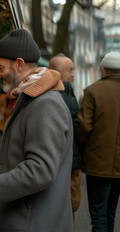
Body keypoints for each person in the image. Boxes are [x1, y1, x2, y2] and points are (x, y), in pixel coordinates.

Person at [0, 29, 74, 232]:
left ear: (19, 64)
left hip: (33, 229)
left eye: (0, 68)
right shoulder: (31, 99)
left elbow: (40, 169)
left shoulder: (45, 104)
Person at [75, 51, 120, 232]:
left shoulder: (93, 91)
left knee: (99, 216)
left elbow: (83, 126)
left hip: (97, 164)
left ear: (102, 69)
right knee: (111, 214)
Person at [49, 54, 83, 221]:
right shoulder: (53, 95)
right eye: (70, 70)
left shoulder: (68, 91)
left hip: (71, 161)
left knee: (71, 207)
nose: (73, 74)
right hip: (61, 162)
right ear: (57, 72)